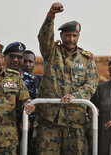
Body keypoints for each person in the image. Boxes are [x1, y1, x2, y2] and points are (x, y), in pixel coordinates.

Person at [36, 2, 99, 155]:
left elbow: (91, 83)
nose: (71, 39)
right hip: (50, 119)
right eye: (68, 35)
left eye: (74, 36)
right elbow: (44, 37)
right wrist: (51, 15)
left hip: (75, 120)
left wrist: (75, 96)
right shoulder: (51, 51)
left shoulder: (87, 58)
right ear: (61, 36)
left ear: (78, 37)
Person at [21, 50, 42, 155]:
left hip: (37, 126)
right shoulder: (15, 80)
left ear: (35, 63)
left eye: (30, 61)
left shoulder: (40, 81)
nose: (27, 64)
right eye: (25, 61)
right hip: (20, 125)